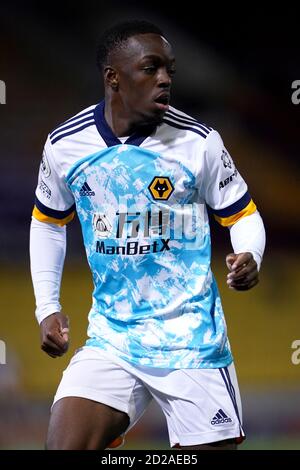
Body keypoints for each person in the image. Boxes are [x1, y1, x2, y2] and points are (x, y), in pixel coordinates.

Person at [30, 20, 266, 450]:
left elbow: (244, 216)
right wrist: (47, 306)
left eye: (169, 71)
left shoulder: (199, 142)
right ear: (113, 77)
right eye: (151, 68)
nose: (164, 80)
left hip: (191, 341)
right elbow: (47, 222)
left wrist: (249, 252)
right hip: (113, 338)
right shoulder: (66, 145)